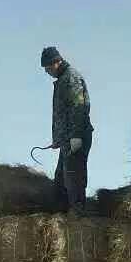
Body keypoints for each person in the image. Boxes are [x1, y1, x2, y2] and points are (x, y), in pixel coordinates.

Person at [41, 46, 93, 211]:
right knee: (61, 179)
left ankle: (78, 214)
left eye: (48, 68)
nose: (47, 72)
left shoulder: (71, 78)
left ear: (56, 62)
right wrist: (59, 140)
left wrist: (76, 136)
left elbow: (79, 108)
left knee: (74, 178)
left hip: (76, 137)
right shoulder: (63, 80)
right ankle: (63, 214)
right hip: (68, 139)